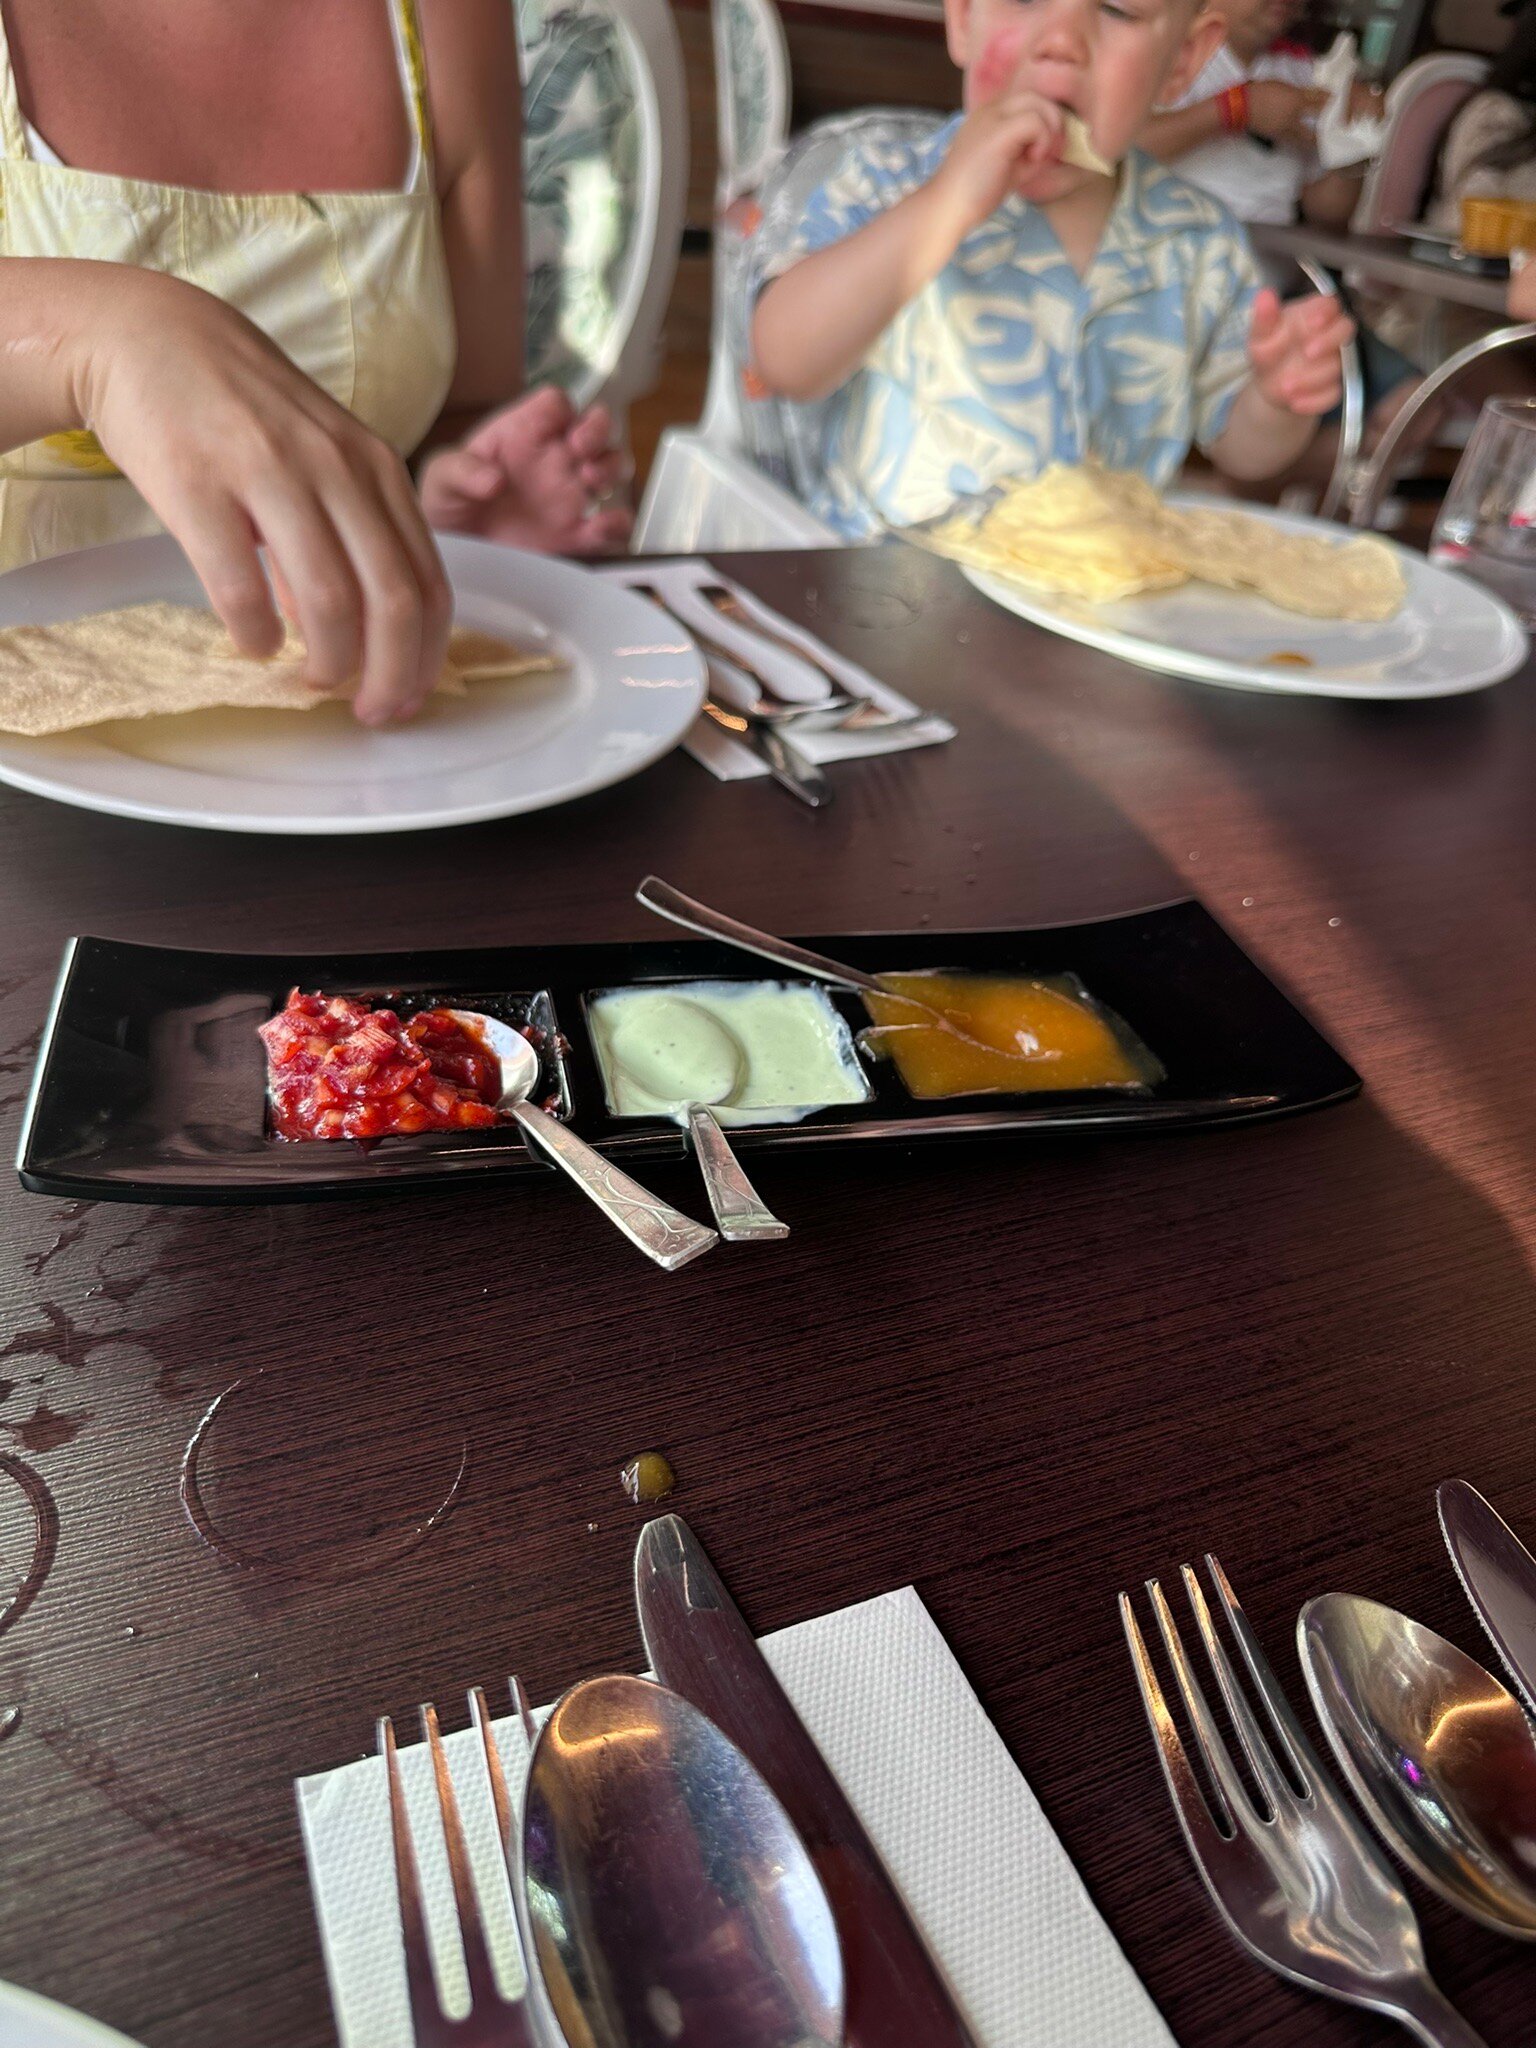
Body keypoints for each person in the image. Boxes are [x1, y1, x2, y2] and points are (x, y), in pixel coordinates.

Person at [0, 0, 630, 727]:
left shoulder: (448, 17)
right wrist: (100, 340)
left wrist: (453, 530)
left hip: (354, 753)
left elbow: (464, 413)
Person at [748, 0, 1355, 541]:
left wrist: (1276, 400)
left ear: (1182, 60)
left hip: (1094, 593)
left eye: (1116, 10)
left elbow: (1240, 449)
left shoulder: (1199, 240)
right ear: (963, 17)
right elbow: (787, 361)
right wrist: (945, 205)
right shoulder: (882, 178)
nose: (1063, 40)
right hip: (881, 585)